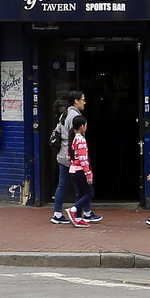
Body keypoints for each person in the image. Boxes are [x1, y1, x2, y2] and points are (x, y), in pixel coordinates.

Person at [49, 92, 101, 225]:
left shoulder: (64, 113)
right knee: (84, 187)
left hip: (62, 154)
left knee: (63, 185)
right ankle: (85, 213)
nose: (85, 102)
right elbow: (74, 135)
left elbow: (58, 130)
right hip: (73, 158)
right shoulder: (76, 116)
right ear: (76, 101)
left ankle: (57, 213)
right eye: (83, 100)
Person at [66, 115, 95, 228]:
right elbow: (83, 159)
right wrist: (88, 174)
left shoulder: (73, 139)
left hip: (73, 170)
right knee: (89, 193)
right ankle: (73, 210)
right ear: (82, 126)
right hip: (80, 171)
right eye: (86, 125)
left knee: (80, 194)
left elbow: (70, 156)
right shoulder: (81, 140)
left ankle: (77, 218)